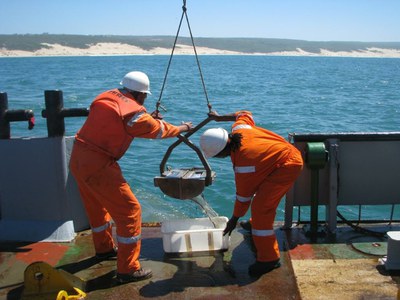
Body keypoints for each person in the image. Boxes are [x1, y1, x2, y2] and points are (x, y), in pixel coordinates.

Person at [69, 71, 193, 283]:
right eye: (145, 96)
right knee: (130, 211)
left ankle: (104, 249)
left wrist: (146, 118)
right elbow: (159, 131)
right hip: (99, 165)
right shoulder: (135, 114)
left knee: (97, 207)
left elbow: (123, 122)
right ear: (139, 94)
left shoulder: (106, 97)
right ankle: (128, 269)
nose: (145, 99)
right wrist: (184, 127)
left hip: (79, 158)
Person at [200, 110, 303, 277]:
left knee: (261, 209)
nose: (218, 159)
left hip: (287, 165)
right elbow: (243, 113)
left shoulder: (244, 163)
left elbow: (243, 197)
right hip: (277, 157)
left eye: (216, 156)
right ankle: (255, 224)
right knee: (262, 200)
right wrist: (220, 118)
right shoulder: (239, 129)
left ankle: (269, 259)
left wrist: (234, 219)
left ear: (221, 151)